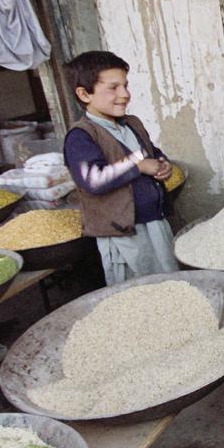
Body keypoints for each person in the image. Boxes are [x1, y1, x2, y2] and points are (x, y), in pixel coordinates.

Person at [63, 51, 179, 285]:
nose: (124, 94)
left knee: (169, 282)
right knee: (137, 291)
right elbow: (93, 180)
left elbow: (151, 153)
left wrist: (161, 164)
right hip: (123, 234)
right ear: (84, 94)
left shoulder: (132, 123)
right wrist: (138, 167)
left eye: (125, 86)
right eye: (113, 88)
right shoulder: (81, 136)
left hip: (154, 222)